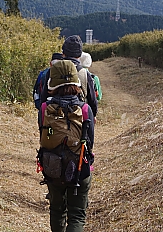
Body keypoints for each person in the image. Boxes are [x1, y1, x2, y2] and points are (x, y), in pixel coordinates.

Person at [39, 60, 95, 232]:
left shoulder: (44, 108)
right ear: (76, 82)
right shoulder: (85, 109)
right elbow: (90, 142)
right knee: (76, 215)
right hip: (79, 168)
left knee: (57, 211)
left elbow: (42, 135)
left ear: (52, 83)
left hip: (52, 166)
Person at [38, 35, 98, 117]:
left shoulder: (53, 71)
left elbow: (44, 97)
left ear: (63, 53)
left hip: (54, 118)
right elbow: (92, 101)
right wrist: (92, 116)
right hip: (78, 118)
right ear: (80, 55)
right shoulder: (84, 73)